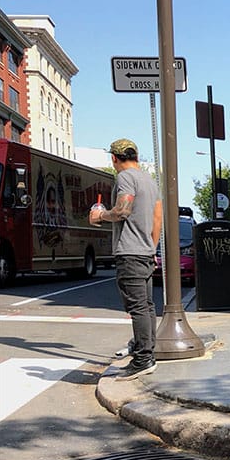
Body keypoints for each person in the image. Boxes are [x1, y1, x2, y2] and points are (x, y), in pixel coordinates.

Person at [90, 139, 162, 380]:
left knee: (137, 307)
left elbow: (122, 211)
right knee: (147, 305)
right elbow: (157, 219)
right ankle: (147, 350)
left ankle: (143, 359)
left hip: (129, 252)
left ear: (114, 158)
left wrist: (100, 215)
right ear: (136, 156)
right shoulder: (150, 182)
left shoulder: (125, 178)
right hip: (144, 251)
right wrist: (151, 247)